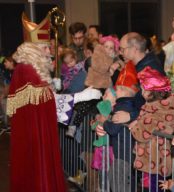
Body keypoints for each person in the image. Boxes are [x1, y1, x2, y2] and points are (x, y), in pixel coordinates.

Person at [8, 13, 101, 192]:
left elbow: (41, 101)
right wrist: (79, 97)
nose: (49, 52)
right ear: (33, 50)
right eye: (44, 48)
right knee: (38, 169)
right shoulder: (28, 71)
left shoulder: (25, 69)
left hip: (31, 132)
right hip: (35, 134)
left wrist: (51, 89)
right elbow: (46, 104)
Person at [129, 66, 174, 192]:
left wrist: (134, 126)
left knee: (151, 186)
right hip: (164, 158)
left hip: (150, 158)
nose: (142, 92)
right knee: (160, 185)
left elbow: (141, 133)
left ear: (152, 92)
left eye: (144, 89)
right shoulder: (173, 106)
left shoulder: (149, 110)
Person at [96, 62, 139, 192]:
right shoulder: (130, 105)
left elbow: (114, 129)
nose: (116, 91)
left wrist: (104, 121)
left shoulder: (122, 106)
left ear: (126, 91)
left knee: (118, 183)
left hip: (122, 153)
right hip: (126, 152)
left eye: (119, 89)